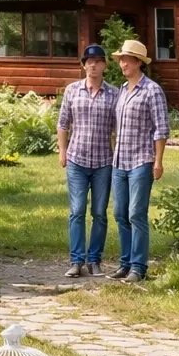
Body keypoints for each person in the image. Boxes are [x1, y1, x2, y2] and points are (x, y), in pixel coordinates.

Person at [110, 39, 169, 283]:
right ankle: (125, 263)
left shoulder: (152, 90)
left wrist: (158, 161)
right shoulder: (122, 90)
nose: (122, 63)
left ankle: (139, 267)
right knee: (120, 213)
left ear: (138, 62)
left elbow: (161, 129)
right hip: (119, 162)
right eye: (121, 59)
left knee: (136, 213)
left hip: (141, 161)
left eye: (126, 59)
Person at [57, 44, 118, 277]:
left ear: (104, 65)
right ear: (83, 65)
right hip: (77, 160)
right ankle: (76, 261)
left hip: (103, 161)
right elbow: (63, 124)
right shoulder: (72, 91)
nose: (93, 65)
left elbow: (119, 128)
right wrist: (63, 152)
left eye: (98, 61)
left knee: (100, 212)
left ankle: (94, 260)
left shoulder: (114, 94)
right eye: (89, 61)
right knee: (77, 210)